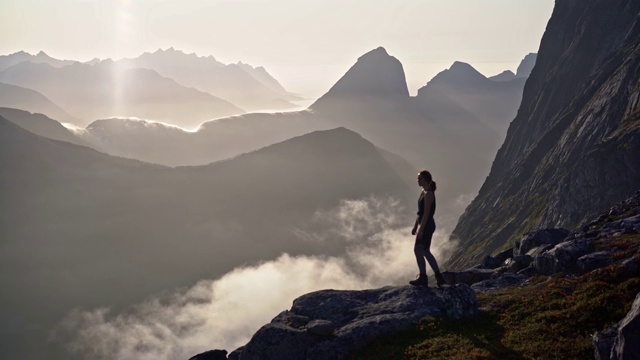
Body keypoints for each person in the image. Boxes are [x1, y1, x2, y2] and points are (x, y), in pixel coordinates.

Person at [409, 170, 446, 288]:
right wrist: (415, 226)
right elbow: (420, 212)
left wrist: (421, 229)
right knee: (425, 251)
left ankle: (423, 277)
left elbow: (426, 213)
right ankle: (439, 277)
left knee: (418, 250)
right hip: (425, 225)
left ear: (425, 180)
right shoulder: (424, 192)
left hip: (427, 225)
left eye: (419, 178)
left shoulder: (429, 194)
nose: (417, 180)